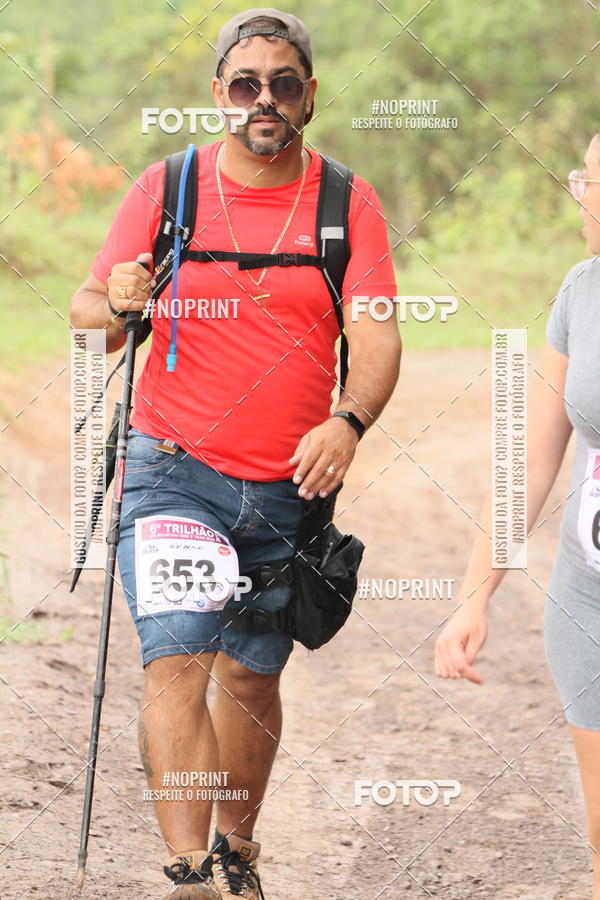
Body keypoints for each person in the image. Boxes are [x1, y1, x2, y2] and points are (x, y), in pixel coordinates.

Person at [70, 9, 401, 899]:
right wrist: (120, 303)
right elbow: (88, 319)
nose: (265, 99)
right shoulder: (168, 188)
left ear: (309, 96)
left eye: (283, 84)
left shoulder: (346, 202)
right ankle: (187, 874)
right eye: (247, 84)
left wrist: (349, 422)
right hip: (173, 469)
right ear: (220, 94)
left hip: (289, 485)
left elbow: (376, 333)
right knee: (177, 660)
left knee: (251, 679)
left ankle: (234, 850)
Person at [435, 131, 600, 898]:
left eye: (588, 180)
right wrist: (476, 595)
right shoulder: (582, 291)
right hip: (589, 600)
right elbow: (530, 462)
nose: (578, 194)